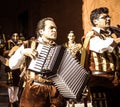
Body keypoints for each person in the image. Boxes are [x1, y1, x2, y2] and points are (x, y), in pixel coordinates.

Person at [9, 17, 67, 107]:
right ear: (41, 31)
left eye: (55, 28)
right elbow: (12, 65)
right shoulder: (28, 44)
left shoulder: (60, 50)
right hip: (34, 92)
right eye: (51, 28)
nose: (55, 30)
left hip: (55, 94)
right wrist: (23, 52)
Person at [81, 7, 120, 107]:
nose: (108, 19)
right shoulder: (91, 36)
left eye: (108, 16)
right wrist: (117, 40)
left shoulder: (111, 35)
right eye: (104, 17)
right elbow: (102, 47)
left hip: (116, 81)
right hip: (99, 81)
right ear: (95, 21)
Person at [3, 32, 23, 107]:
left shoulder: (21, 44)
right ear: (11, 37)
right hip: (9, 65)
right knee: (10, 83)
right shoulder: (8, 43)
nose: (15, 37)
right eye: (13, 35)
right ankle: (11, 100)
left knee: (17, 83)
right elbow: (3, 52)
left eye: (17, 36)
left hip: (18, 66)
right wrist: (12, 51)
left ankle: (15, 99)